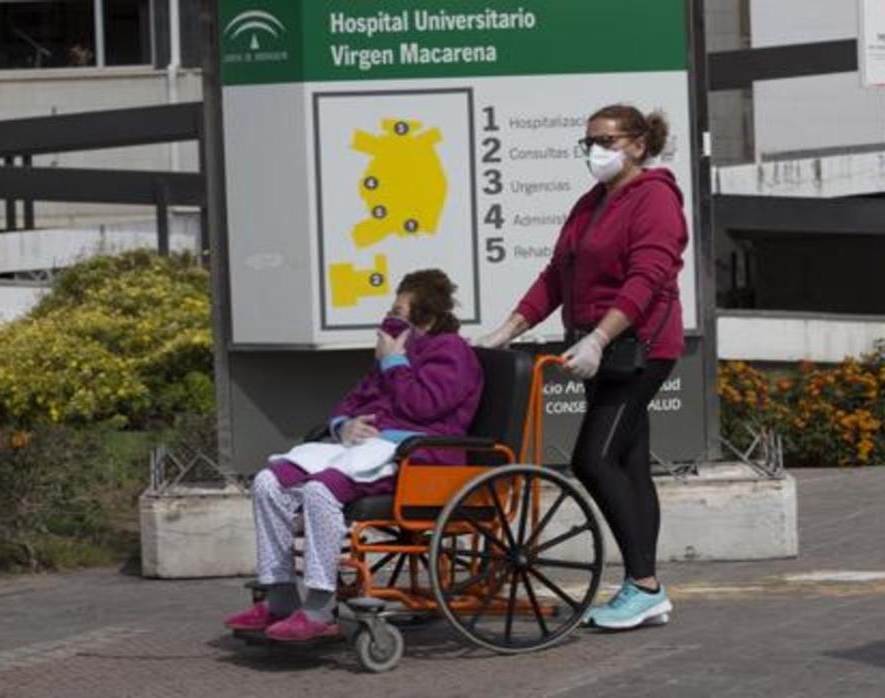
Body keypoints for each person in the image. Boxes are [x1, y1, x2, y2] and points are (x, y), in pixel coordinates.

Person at [476, 104, 688, 630]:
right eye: (587, 141)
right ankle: (645, 588)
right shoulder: (590, 204)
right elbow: (556, 276)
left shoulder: (656, 199)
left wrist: (599, 336)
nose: (594, 150)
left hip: (638, 348)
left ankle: (644, 585)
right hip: (604, 352)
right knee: (631, 465)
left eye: (606, 140)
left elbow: (647, 277)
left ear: (638, 144)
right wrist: (507, 330)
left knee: (593, 459)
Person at [225, 269, 484, 642]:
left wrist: (394, 362)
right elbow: (352, 400)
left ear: (424, 317)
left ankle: (319, 606)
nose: (390, 316)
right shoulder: (397, 351)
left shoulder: (452, 353)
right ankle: (279, 598)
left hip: (419, 456)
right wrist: (343, 426)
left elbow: (425, 407)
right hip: (368, 449)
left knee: (320, 491)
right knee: (269, 482)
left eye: (399, 308)